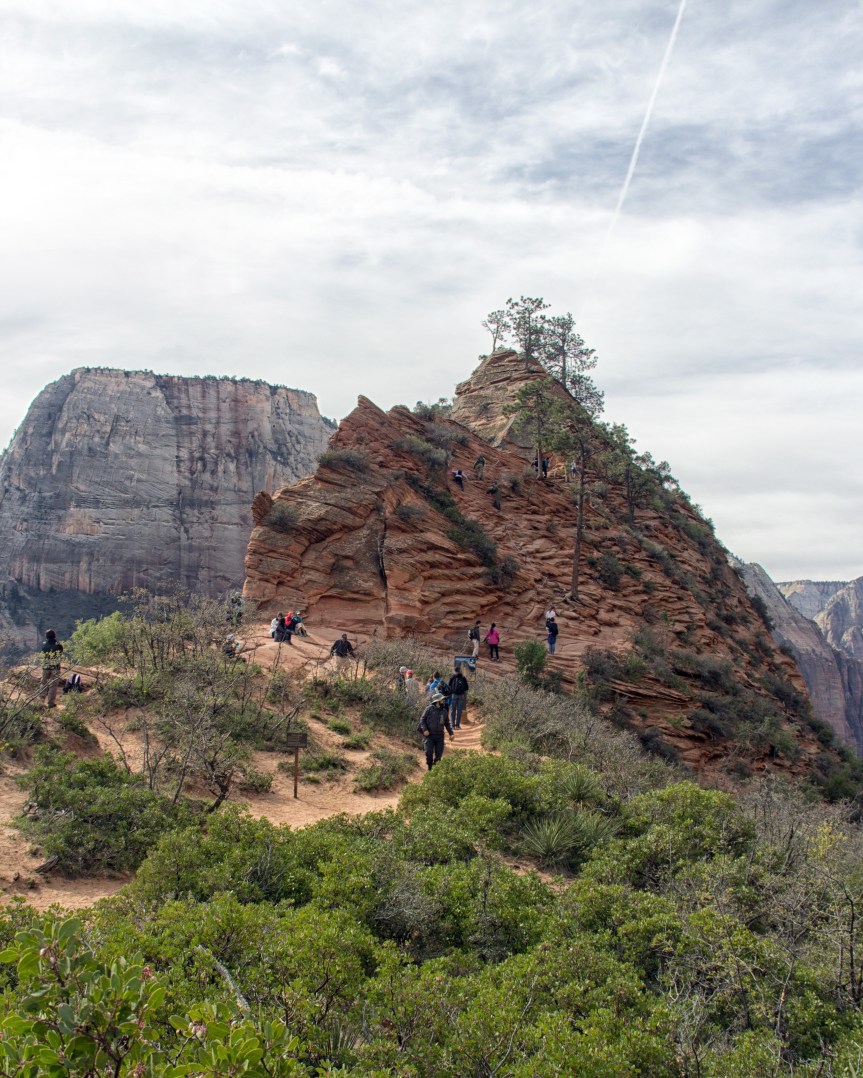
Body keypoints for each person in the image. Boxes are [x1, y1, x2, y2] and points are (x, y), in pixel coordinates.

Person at [418, 691, 454, 770]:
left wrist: (451, 733)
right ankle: (430, 766)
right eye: (442, 700)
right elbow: (422, 720)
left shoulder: (444, 711)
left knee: (438, 756)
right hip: (429, 736)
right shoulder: (429, 709)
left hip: (440, 736)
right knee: (428, 752)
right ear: (437, 701)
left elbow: (447, 723)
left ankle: (434, 769)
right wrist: (424, 730)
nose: (444, 701)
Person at [40, 629, 63, 708]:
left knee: (43, 683)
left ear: (46, 636)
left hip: (46, 666)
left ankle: (40, 702)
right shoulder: (58, 645)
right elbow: (60, 654)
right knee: (53, 685)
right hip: (55, 667)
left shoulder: (44, 644)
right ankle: (50, 703)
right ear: (54, 636)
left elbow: (43, 652)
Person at [448, 662, 470, 729]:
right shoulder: (463, 678)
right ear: (460, 671)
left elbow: (449, 686)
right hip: (461, 696)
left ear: (455, 671)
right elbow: (467, 688)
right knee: (459, 710)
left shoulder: (452, 677)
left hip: (454, 695)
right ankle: (457, 725)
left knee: (452, 710)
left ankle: (452, 725)